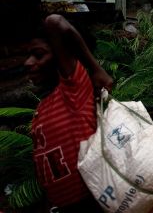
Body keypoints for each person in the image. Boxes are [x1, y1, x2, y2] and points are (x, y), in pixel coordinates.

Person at [25, 14, 113, 212]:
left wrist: (96, 68)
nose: (28, 62)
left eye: (39, 55)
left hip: (92, 200)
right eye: (29, 55)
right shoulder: (44, 106)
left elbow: (54, 22)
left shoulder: (74, 90)